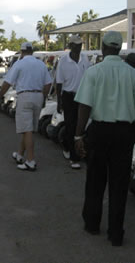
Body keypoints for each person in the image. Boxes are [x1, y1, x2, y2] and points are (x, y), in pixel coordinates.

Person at [73, 31, 135, 246]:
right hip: (124, 134)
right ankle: (116, 233)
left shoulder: (94, 72)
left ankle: (92, 223)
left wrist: (78, 135)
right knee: (119, 185)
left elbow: (85, 106)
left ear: (103, 48)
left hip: (99, 131)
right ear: (119, 48)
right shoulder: (134, 75)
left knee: (95, 181)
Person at [0, 42, 51, 171]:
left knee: (27, 130)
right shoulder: (41, 64)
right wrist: (43, 97)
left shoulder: (19, 64)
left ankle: (30, 160)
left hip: (25, 96)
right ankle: (20, 154)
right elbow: (48, 83)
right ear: (32, 51)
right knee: (29, 129)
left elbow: (7, 82)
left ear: (21, 52)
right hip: (38, 96)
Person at [55, 34, 90, 169]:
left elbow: (89, 78)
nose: (79, 47)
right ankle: (74, 158)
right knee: (71, 125)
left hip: (82, 96)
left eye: (80, 45)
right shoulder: (63, 61)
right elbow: (59, 83)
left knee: (80, 126)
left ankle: (72, 147)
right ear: (70, 46)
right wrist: (59, 102)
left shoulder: (85, 59)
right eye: (76, 45)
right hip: (68, 97)